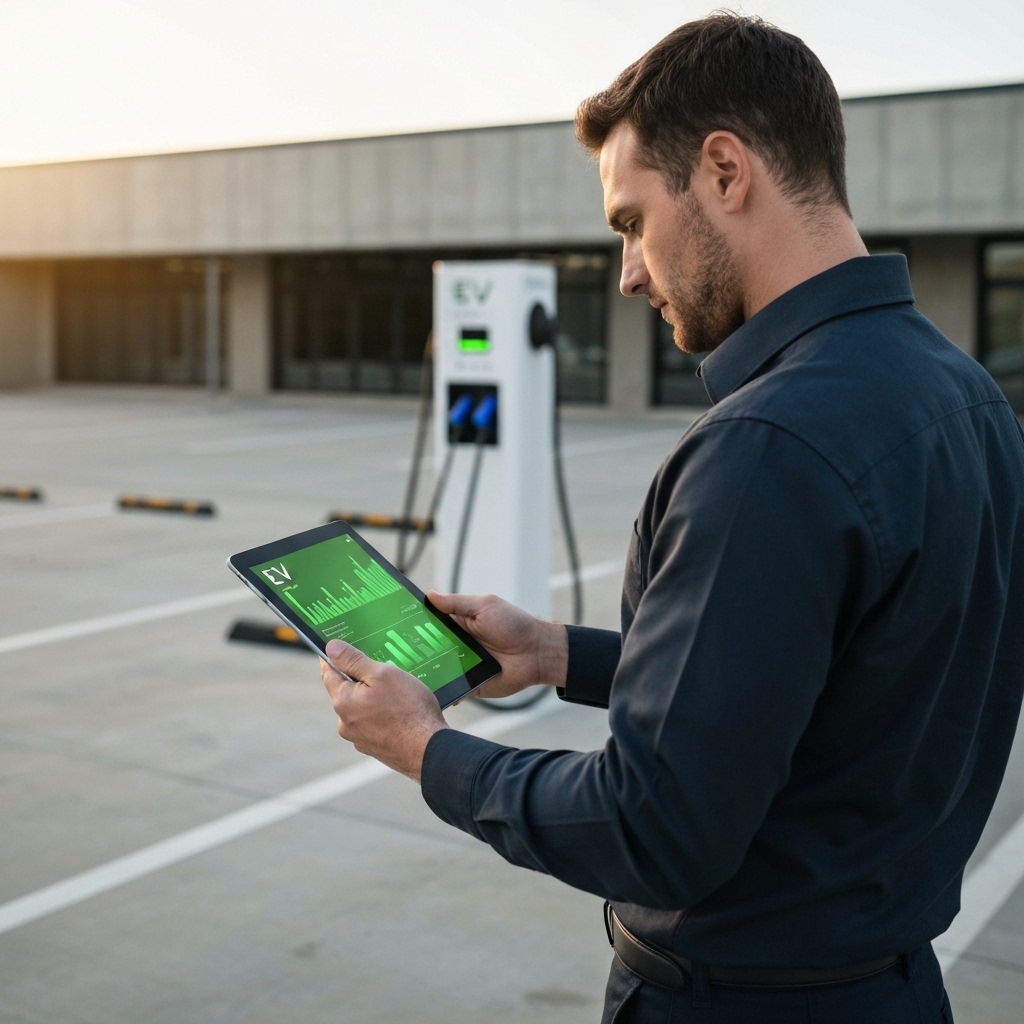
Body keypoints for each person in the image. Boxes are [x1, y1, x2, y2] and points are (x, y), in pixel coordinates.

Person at [319, 14, 1024, 1022]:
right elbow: (843, 677)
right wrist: (560, 651)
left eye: (630, 221)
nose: (629, 273)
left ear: (724, 170)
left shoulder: (767, 444)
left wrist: (428, 748)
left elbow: (656, 828)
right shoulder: (965, 396)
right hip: (894, 988)